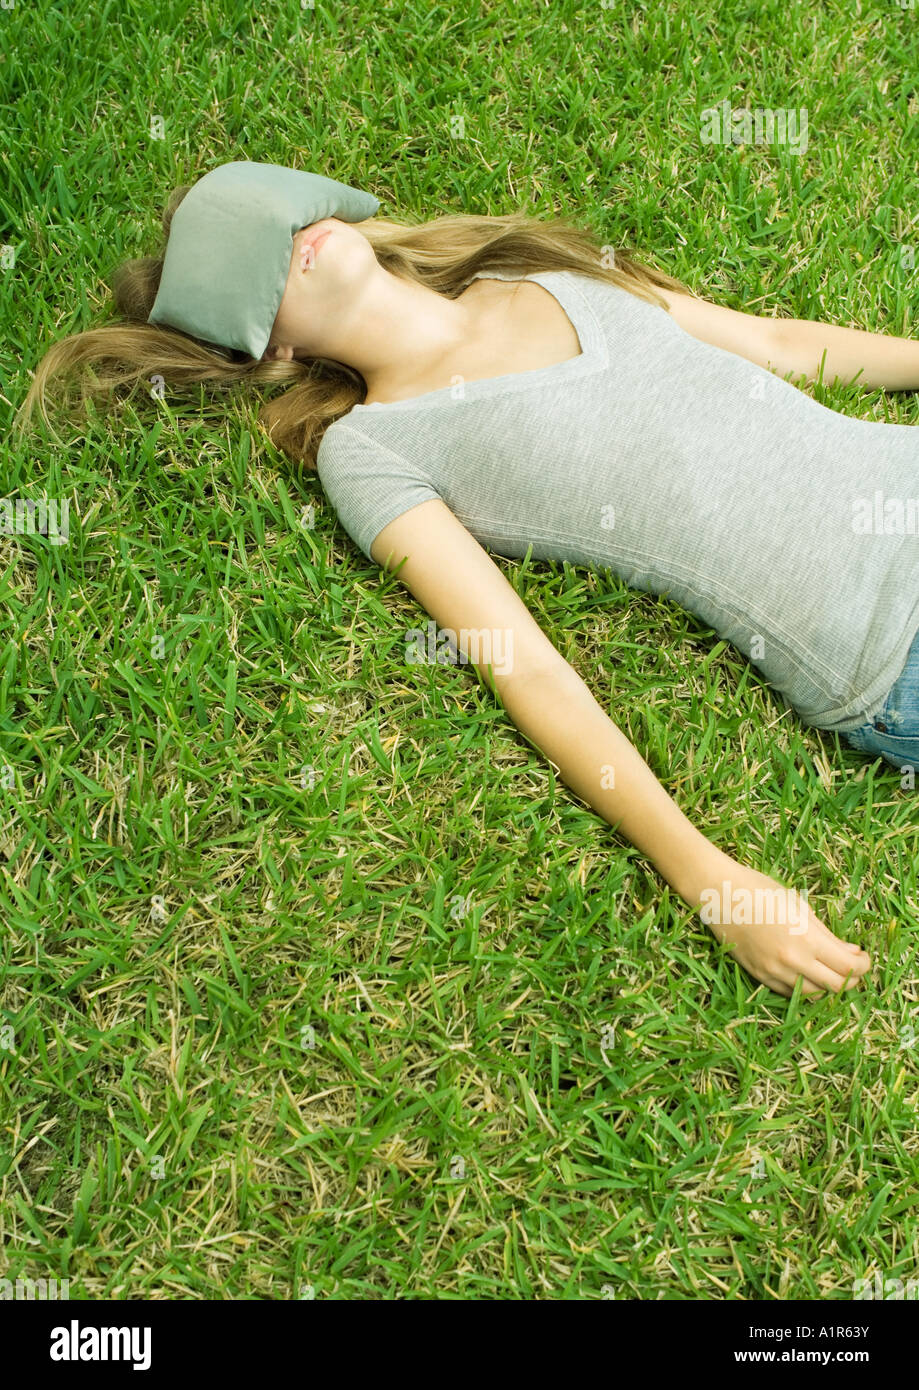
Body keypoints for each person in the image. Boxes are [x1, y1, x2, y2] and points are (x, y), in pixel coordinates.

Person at [22, 182, 919, 1000]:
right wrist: (709, 878)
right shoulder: (371, 449)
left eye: (280, 216)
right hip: (886, 641)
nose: (291, 237)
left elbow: (777, 343)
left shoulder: (532, 274)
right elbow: (525, 666)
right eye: (253, 262)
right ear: (272, 345)